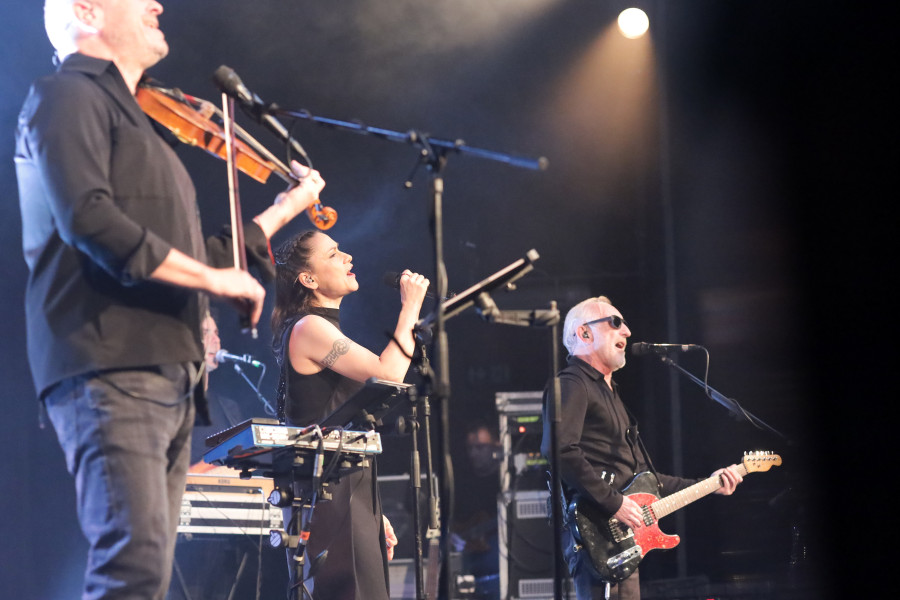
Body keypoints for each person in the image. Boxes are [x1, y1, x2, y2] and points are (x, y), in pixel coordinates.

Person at [14, 1, 326, 598]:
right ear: (86, 11)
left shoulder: (145, 130)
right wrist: (214, 280)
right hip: (111, 359)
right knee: (131, 568)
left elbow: (200, 257)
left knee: (147, 574)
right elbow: (90, 221)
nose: (157, 3)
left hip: (167, 370)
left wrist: (287, 208)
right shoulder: (65, 95)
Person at [540, 296, 744, 600]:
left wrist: (710, 484)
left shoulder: (609, 392)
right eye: (615, 323)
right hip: (596, 536)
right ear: (584, 333)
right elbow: (560, 450)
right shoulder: (572, 383)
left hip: (621, 541)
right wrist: (615, 504)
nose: (627, 331)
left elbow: (648, 481)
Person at [270, 230, 429, 600]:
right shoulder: (309, 327)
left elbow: (341, 417)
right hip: (327, 493)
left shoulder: (322, 327)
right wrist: (410, 308)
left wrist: (372, 512)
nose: (347, 257)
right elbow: (388, 374)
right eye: (333, 254)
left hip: (345, 489)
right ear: (308, 279)